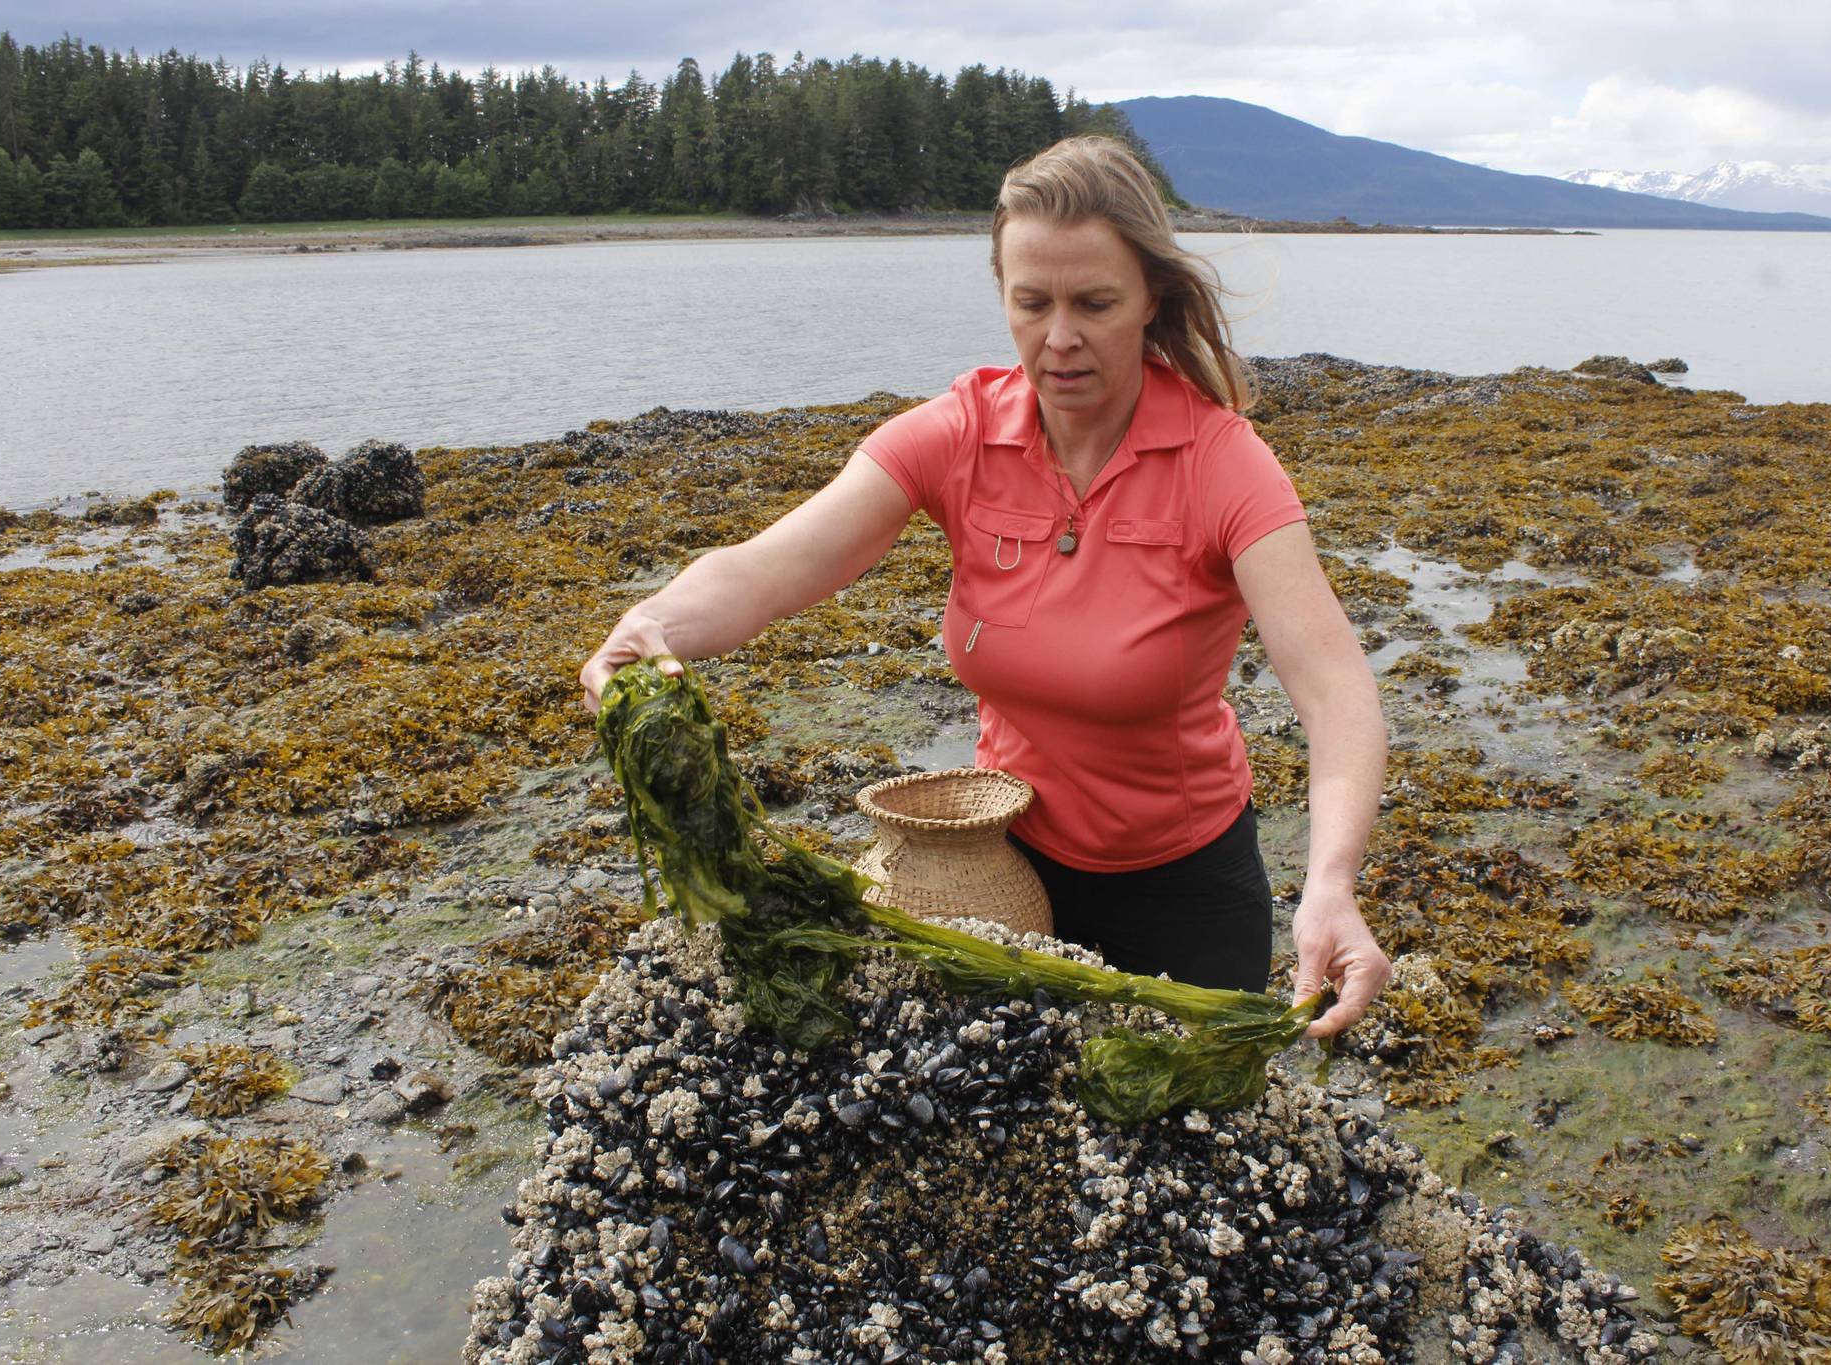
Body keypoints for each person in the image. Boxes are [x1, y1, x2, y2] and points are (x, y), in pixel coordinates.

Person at [580, 136, 1390, 1038]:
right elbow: (773, 567)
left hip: (1185, 892)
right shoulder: (962, 432)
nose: (1060, 337)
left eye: (1095, 302)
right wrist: (649, 626)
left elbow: (1334, 687)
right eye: (1031, 301)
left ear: (1152, 296)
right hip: (1001, 876)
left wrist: (1330, 886)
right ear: (1001, 290)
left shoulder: (1223, 463)